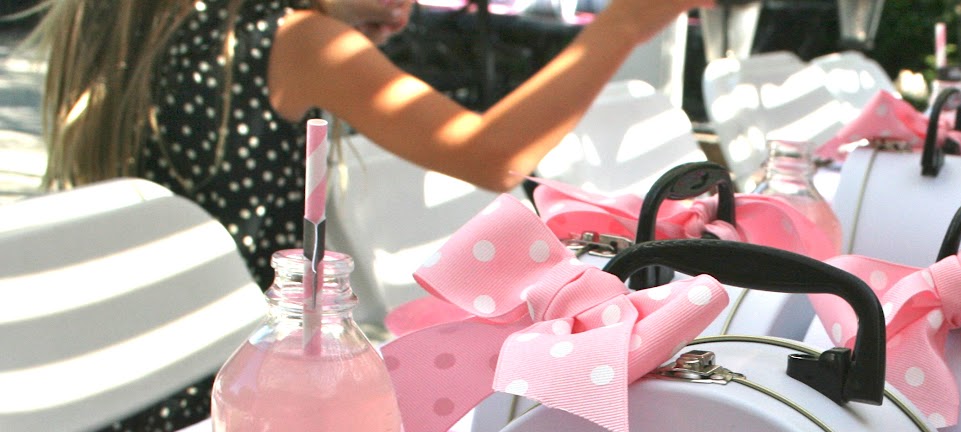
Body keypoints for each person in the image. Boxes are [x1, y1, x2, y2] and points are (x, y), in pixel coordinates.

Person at [28, 0, 701, 289]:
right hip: (228, 397)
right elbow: (494, 157)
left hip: (141, 389)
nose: (404, 13)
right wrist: (621, 26)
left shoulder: (155, 33)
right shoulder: (294, 41)